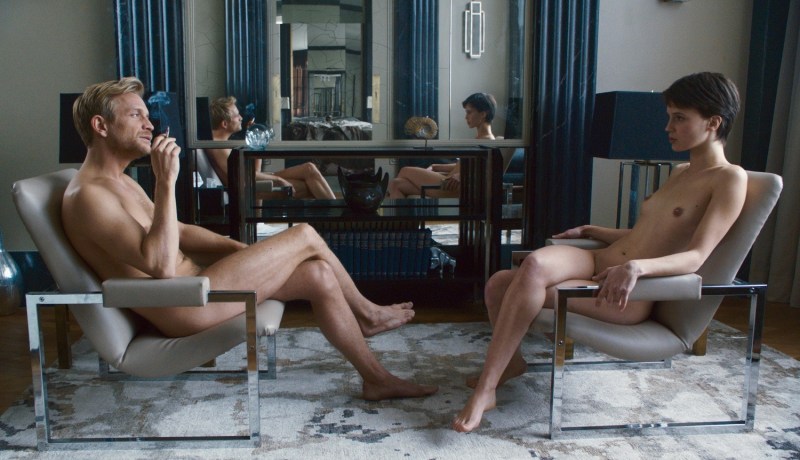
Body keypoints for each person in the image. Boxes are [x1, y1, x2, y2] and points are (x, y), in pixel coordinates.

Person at [61, 77, 437, 401]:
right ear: (101, 125)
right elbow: (159, 265)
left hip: (198, 286)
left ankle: (376, 380)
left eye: (146, 115)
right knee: (305, 234)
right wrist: (165, 182)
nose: (149, 124)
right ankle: (367, 315)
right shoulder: (89, 196)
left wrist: (243, 252)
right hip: (183, 304)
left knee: (318, 274)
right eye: (136, 115)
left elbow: (180, 231)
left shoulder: (119, 183)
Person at [452, 72, 748, 432]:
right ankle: (510, 363)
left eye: (679, 118)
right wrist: (594, 231)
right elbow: (648, 234)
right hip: (601, 260)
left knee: (512, 286)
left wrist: (637, 268)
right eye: (670, 116)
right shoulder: (681, 171)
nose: (668, 127)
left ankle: (486, 389)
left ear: (713, 122)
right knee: (506, 277)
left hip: (629, 293)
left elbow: (697, 255)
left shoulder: (730, 179)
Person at [206, 96, 336, 199]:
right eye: (237, 115)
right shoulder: (217, 147)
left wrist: (256, 140)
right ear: (224, 124)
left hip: (254, 179)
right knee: (310, 186)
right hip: (250, 188)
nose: (241, 118)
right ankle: (337, 219)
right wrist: (278, 180)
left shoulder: (222, 143)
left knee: (309, 168)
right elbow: (243, 177)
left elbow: (254, 172)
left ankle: (336, 217)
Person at [387, 93, 497, 199]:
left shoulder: (488, 141)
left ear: (483, 114)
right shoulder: (479, 139)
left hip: (454, 186)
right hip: (451, 181)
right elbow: (464, 165)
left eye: (469, 112)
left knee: (405, 170)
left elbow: (485, 172)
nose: (466, 117)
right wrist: (436, 166)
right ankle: (404, 213)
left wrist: (461, 176)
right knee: (396, 184)